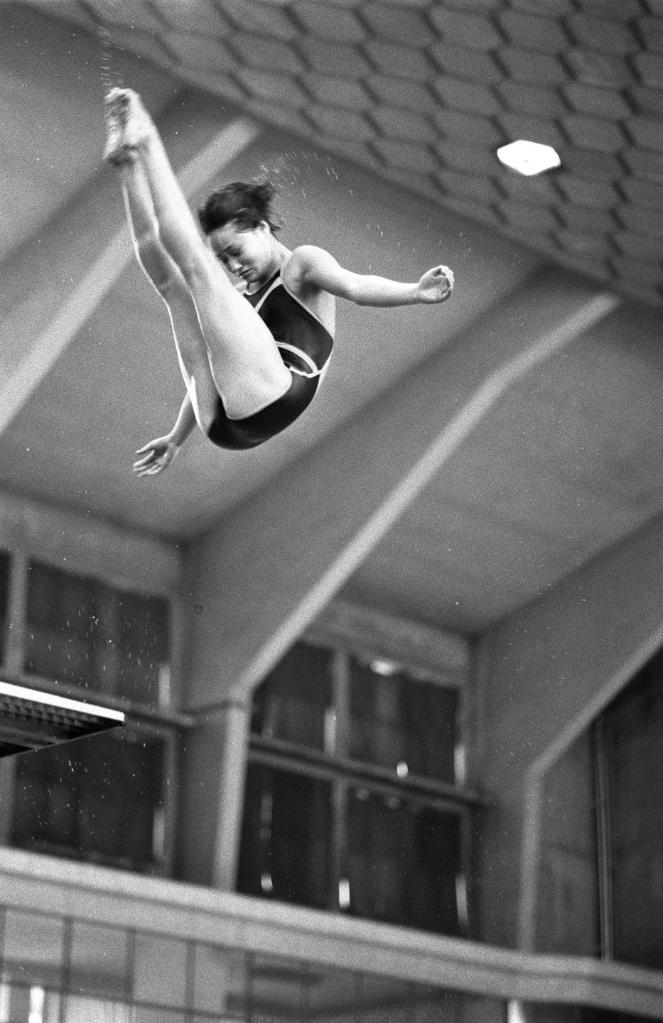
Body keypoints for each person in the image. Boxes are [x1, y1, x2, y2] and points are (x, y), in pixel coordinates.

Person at [103, 88, 455, 475]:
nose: (233, 266)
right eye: (224, 260)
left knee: (196, 270)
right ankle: (128, 166)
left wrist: (414, 292)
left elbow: (356, 287)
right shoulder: (238, 299)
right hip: (220, 423)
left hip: (278, 395)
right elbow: (215, 364)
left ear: (261, 227)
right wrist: (176, 438)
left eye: (235, 251)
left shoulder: (302, 265)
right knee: (173, 287)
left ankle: (147, 140)